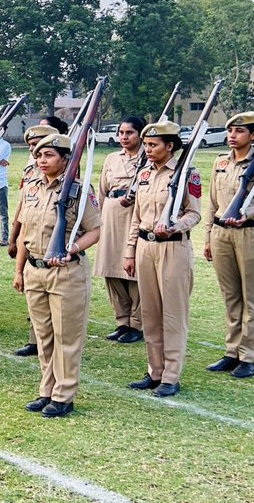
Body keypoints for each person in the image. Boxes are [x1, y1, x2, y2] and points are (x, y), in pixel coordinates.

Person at [13, 133, 102, 418]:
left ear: (66, 160)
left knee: (67, 337)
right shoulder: (32, 188)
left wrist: (73, 248)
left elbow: (95, 230)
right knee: (44, 336)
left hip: (65, 272)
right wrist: (19, 271)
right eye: (39, 156)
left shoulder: (77, 190)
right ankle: (47, 389)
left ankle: (64, 394)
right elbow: (26, 233)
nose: (42, 160)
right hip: (35, 270)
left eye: (49, 155)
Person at [123, 121, 201, 398]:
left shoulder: (186, 174)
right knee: (150, 313)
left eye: (154, 145)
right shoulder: (144, 174)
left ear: (170, 146)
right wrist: (130, 251)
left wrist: (176, 225)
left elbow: (194, 214)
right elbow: (136, 217)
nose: (148, 149)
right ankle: (154, 370)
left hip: (173, 248)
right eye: (146, 144)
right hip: (146, 247)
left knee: (173, 314)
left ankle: (171, 375)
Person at [204, 111, 254, 379]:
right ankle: (231, 351)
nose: (232, 136)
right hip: (221, 235)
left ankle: (248, 356)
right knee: (230, 297)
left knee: (252, 298)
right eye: (230, 131)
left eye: (239, 132)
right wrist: (208, 237)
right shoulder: (220, 162)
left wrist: (248, 213)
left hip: (249, 235)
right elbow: (213, 203)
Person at [8, 124, 60, 357]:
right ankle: (35, 338)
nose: (33, 149)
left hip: (50, 242)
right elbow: (22, 208)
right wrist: (13, 236)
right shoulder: (31, 171)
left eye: (38, 144)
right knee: (31, 293)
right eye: (31, 146)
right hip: (28, 236)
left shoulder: (61, 171)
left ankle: (42, 339)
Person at [94, 116, 147, 345]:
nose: (124, 137)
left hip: (135, 213)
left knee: (133, 270)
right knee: (111, 268)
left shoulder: (147, 158)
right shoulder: (112, 158)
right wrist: (97, 219)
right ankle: (122, 321)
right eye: (121, 133)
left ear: (141, 135)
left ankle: (137, 323)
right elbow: (102, 191)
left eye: (130, 133)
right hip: (111, 213)